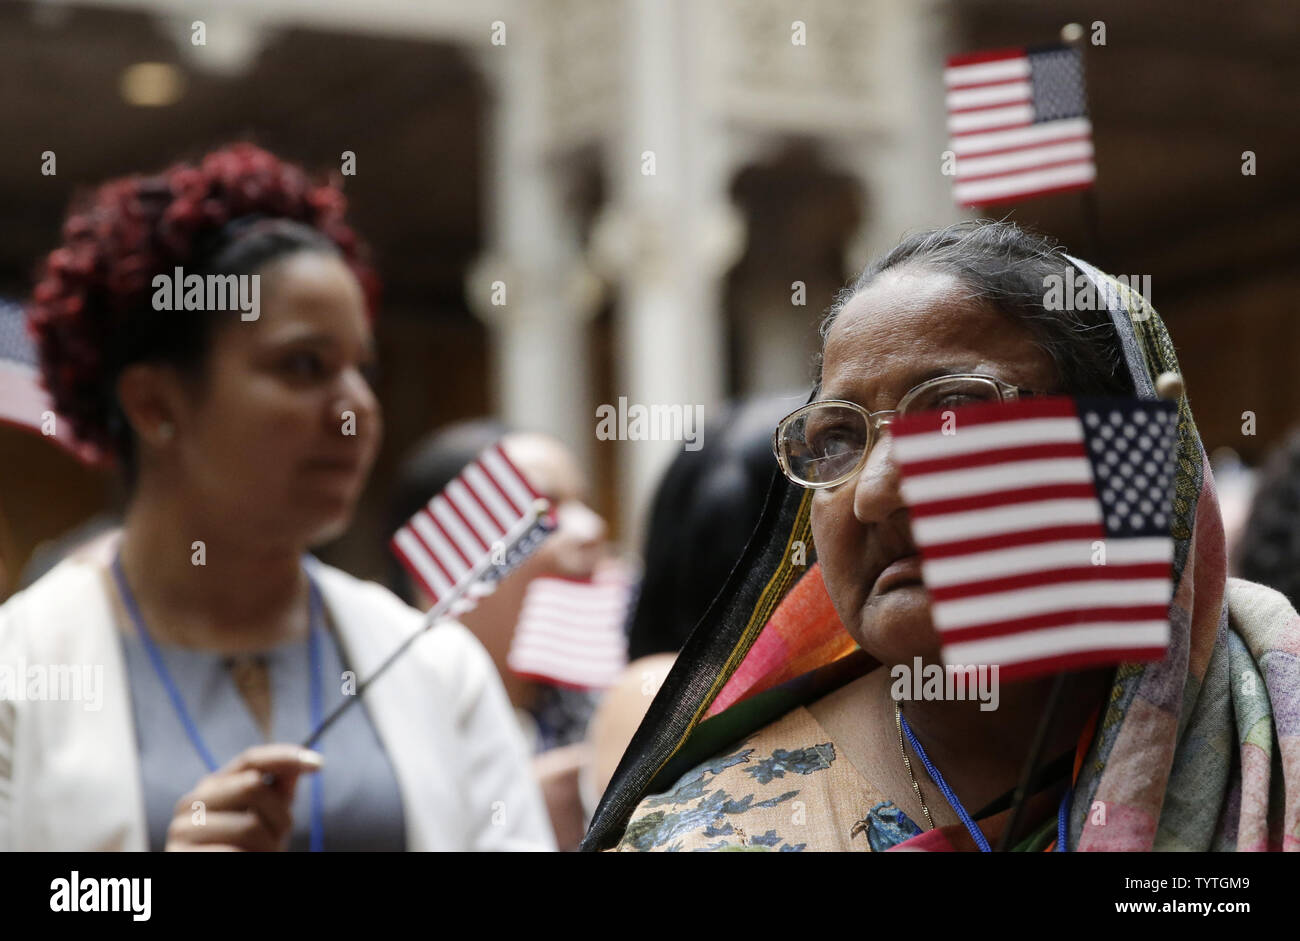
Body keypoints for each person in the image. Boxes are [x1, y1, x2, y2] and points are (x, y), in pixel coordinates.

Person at [583, 220, 1300, 852]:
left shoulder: (1271, 736)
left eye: (953, 411)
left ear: (1114, 453)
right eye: (837, 438)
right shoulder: (712, 829)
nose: (873, 491)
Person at [0, 144, 554, 851]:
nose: (357, 408)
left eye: (364, 369)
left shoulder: (434, 664)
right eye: (304, 365)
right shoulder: (19, 670)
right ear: (154, 403)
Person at [389, 420, 614, 849]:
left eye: (582, 501)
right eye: (543, 507)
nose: (591, 527)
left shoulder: (606, 703)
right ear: (447, 547)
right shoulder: (383, 701)